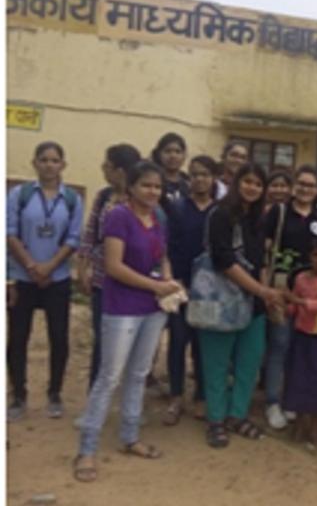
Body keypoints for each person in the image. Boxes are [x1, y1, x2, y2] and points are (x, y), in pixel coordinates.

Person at [72, 161, 181, 482]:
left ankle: (130, 437)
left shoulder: (156, 218)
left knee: (138, 374)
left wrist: (168, 280)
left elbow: (162, 255)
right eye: (146, 185)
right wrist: (156, 286)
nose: (153, 191)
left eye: (157, 186)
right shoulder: (118, 216)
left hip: (153, 308)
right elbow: (114, 266)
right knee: (109, 376)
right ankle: (87, 449)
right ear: (131, 187)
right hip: (122, 306)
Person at [199, 163, 282, 449]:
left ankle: (237, 415)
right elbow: (223, 260)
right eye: (247, 181)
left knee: (249, 361)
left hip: (253, 303)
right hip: (220, 300)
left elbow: (260, 261)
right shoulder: (221, 214)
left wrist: (264, 295)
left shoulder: (258, 218)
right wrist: (261, 290)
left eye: (258, 184)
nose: (252, 188)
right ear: (236, 182)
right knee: (217, 363)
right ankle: (216, 420)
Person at [7, 141, 84, 421]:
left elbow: (73, 238)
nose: (49, 165)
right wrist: (30, 266)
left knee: (59, 338)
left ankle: (55, 393)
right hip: (22, 277)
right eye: (43, 159)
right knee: (17, 338)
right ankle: (18, 395)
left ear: (63, 165)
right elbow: (9, 232)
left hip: (57, 278)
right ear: (34, 163)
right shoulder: (20, 195)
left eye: (54, 160)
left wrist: (50, 267)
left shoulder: (72, 199)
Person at [262, 165, 317, 430]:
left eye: (311, 185)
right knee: (279, 344)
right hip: (282, 289)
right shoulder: (279, 213)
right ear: (293, 186)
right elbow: (265, 252)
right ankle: (272, 401)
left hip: (310, 293)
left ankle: (290, 398)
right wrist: (266, 288)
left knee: (298, 347)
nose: (305, 189)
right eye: (301, 183)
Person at [77, 144, 142, 390]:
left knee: (127, 341)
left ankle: (123, 392)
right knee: (101, 338)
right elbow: (91, 232)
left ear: (120, 171)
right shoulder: (104, 196)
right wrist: (83, 267)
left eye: (107, 165)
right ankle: (96, 392)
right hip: (102, 280)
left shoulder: (139, 201)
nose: (103, 169)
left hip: (131, 281)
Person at [163, 155, 218, 425]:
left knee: (203, 344)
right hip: (180, 286)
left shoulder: (219, 211)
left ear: (214, 178)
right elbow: (167, 246)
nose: (200, 179)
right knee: (177, 341)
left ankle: (201, 397)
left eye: (205, 174)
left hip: (210, 290)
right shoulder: (177, 208)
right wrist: (173, 280)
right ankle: (175, 396)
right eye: (195, 174)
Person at [282, 237, 317, 453]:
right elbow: (293, 309)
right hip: (301, 335)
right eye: (316, 255)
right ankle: (299, 423)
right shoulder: (300, 278)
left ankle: (316, 429)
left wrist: (295, 300)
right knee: (298, 379)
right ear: (310, 256)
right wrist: (283, 305)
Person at [150, 132, 189, 204]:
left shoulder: (188, 184)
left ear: (184, 155)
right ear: (159, 154)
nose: (173, 156)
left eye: (178, 152)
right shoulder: (151, 182)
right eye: (167, 151)